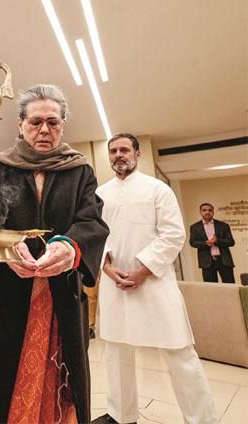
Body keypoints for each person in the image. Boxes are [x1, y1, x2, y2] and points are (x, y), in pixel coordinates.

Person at [0, 84, 109, 423]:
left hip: (60, 297)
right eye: (36, 121)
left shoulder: (79, 170)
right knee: (2, 379)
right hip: (9, 294)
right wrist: (1, 243)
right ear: (20, 123)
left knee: (62, 380)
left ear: (63, 125)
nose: (44, 130)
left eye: (53, 122)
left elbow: (91, 221)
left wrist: (70, 246)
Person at [93, 133, 218, 424]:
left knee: (178, 352)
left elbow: (174, 235)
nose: (118, 155)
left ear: (137, 154)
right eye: (113, 151)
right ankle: (121, 414)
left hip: (154, 283)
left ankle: (202, 419)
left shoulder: (157, 189)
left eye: (124, 149)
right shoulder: (99, 194)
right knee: (116, 350)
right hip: (114, 283)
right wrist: (108, 267)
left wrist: (142, 271)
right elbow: (96, 235)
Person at [189, 203, 236, 283]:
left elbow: (231, 242)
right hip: (207, 262)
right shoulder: (195, 227)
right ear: (200, 212)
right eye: (204, 210)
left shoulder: (223, 225)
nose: (207, 212)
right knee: (211, 288)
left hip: (224, 260)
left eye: (210, 210)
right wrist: (206, 243)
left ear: (213, 212)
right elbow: (192, 242)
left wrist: (217, 241)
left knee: (230, 286)